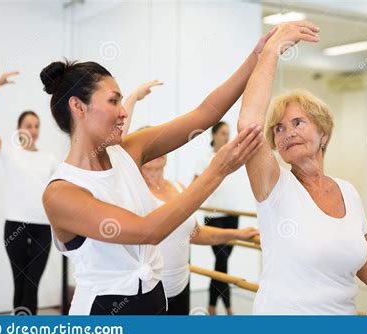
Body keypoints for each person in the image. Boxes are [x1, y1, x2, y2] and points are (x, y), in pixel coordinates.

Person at [40, 29, 272, 315]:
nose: (124, 112)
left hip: (155, 303)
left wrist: (257, 57)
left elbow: (205, 113)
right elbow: (148, 230)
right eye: (114, 101)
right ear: (78, 107)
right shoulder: (62, 192)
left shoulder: (128, 151)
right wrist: (218, 170)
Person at [236, 20, 367, 315]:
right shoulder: (274, 186)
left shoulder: (347, 192)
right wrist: (272, 50)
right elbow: (248, 125)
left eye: (298, 123)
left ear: (323, 133)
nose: (287, 133)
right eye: (279, 129)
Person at [0, 71, 58, 315]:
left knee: (32, 282)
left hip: (43, 228)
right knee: (20, 281)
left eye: (36, 126)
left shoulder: (50, 159)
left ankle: (27, 330)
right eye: (28, 126)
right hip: (15, 226)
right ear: (18, 128)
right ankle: (19, 329)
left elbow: (57, 193)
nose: (33, 130)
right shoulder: (8, 152)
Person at [141, 151, 258, 315]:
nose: (159, 150)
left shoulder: (179, 187)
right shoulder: (135, 193)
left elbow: (195, 233)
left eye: (161, 146)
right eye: (152, 147)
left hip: (181, 285)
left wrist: (236, 234)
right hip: (148, 290)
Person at [193, 121, 240, 315]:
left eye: (228, 133)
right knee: (222, 262)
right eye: (222, 133)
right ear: (213, 135)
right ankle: (227, 309)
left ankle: (212, 307)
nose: (226, 137)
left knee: (222, 263)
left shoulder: (232, 157)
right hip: (214, 217)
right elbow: (195, 187)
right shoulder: (205, 159)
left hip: (233, 216)